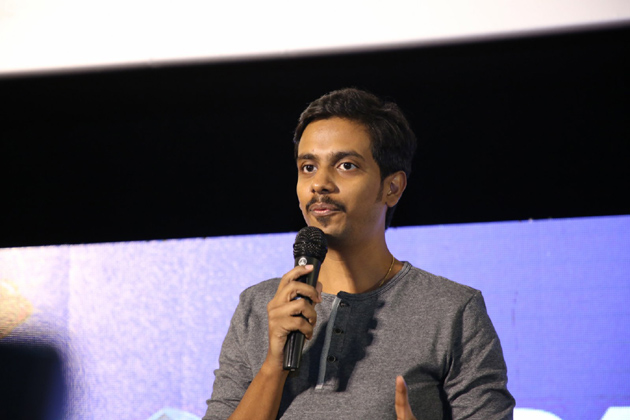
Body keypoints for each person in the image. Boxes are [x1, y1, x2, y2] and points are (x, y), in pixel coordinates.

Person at [204, 88, 515, 420]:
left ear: (392, 187)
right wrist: (273, 365)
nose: (319, 184)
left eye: (346, 165)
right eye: (308, 167)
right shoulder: (257, 307)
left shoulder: (453, 311)